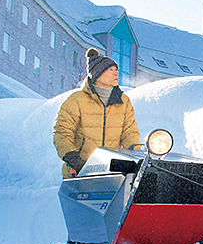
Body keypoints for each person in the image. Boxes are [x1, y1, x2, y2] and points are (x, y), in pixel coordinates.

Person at [53, 48, 140, 177]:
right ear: (97, 74)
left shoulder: (123, 101)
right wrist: (73, 159)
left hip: (111, 171)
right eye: (110, 70)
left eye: (116, 70)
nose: (116, 74)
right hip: (80, 170)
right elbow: (62, 132)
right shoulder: (76, 100)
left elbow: (130, 133)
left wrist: (136, 157)